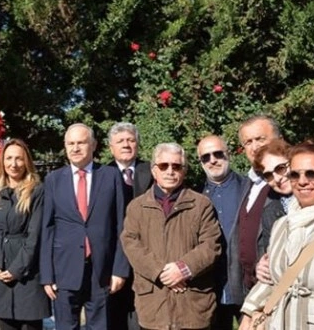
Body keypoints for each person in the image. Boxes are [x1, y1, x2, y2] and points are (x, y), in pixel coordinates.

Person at [239, 142, 314, 329]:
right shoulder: (281, 226)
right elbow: (273, 280)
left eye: (311, 174)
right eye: (295, 175)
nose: (302, 181)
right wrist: (248, 314)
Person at [121, 143, 222, 330]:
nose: (170, 171)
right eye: (163, 166)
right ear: (154, 170)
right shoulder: (137, 207)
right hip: (154, 306)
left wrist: (183, 269)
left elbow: (211, 244)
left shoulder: (201, 205)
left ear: (184, 171)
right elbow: (131, 244)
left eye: (176, 166)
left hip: (192, 304)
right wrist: (161, 273)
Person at [40, 123, 130, 330]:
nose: (75, 148)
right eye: (70, 143)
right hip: (64, 269)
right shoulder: (53, 180)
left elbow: (121, 226)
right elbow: (47, 228)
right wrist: (47, 275)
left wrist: (119, 270)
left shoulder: (111, 176)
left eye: (81, 142)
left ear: (94, 145)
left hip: (101, 270)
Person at [0, 139, 50, 330]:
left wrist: (16, 270)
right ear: (2, 161)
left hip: (26, 278)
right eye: (9, 158)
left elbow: (34, 237)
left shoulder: (37, 191)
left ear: (26, 161)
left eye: (19, 159)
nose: (14, 164)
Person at [228, 115, 282, 307]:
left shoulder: (289, 183)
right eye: (248, 142)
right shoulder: (247, 184)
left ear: (278, 140)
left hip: (277, 287)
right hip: (250, 289)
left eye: (260, 139)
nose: (254, 147)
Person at [197, 134, 248, 330]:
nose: (213, 160)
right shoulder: (195, 196)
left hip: (246, 283)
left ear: (228, 155)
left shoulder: (249, 189)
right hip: (211, 286)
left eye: (218, 153)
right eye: (206, 157)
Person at [105, 122, 152, 330]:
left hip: (146, 254)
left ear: (138, 145)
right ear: (110, 147)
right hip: (112, 258)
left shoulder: (151, 171)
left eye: (131, 140)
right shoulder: (101, 175)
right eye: (120, 141)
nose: (126, 145)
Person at [252, 139, 292, 258]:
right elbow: (269, 254)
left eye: (280, 168)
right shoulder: (270, 213)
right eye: (268, 175)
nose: (277, 178)